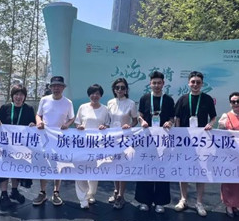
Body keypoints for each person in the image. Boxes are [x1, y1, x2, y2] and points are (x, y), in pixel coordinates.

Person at [174, 71, 217, 217]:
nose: (195, 84)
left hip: (201, 141)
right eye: (193, 82)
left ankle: (199, 202)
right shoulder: (182, 99)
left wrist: (211, 124)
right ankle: (183, 199)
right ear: (188, 83)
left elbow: (213, 117)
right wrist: (179, 135)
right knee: (183, 171)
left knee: (201, 171)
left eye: (198, 82)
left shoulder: (207, 99)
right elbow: (177, 118)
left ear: (202, 84)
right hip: (185, 141)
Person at [0, 84, 36, 209]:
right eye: (16, 94)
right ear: (12, 96)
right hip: (5, 145)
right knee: (4, 168)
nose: (18, 97)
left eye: (21, 94)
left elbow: (33, 123)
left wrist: (33, 125)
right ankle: (4, 194)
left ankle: (14, 191)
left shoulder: (28, 109)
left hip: (21, 146)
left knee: (17, 168)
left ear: (24, 97)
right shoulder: (5, 107)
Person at [135, 71, 175, 213]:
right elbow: (139, 115)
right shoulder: (145, 98)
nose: (157, 85)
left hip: (163, 141)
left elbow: (172, 118)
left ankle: (160, 202)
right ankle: (144, 201)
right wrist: (142, 121)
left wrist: (169, 123)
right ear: (150, 84)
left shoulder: (169, 100)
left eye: (159, 83)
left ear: (163, 84)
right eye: (154, 83)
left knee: (162, 170)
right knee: (146, 169)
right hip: (147, 140)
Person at [35, 76, 75, 206]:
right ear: (50, 87)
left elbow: (72, 118)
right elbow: (38, 114)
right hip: (45, 138)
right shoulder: (44, 100)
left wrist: (67, 124)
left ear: (63, 88)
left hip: (60, 138)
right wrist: (39, 122)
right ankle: (42, 192)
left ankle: (56, 192)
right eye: (54, 86)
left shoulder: (68, 102)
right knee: (44, 164)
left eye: (59, 86)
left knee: (58, 165)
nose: (56, 88)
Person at [74, 84, 111, 209]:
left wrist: (104, 127)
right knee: (80, 170)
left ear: (101, 95)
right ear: (89, 95)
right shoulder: (83, 107)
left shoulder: (105, 109)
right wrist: (79, 127)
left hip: (97, 145)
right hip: (82, 144)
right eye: (92, 93)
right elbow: (77, 122)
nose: (95, 96)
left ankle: (91, 194)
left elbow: (107, 125)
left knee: (93, 170)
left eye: (97, 93)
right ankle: (83, 199)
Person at [106, 78, 138, 209]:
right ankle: (116, 190)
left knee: (123, 166)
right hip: (112, 139)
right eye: (117, 87)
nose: (120, 90)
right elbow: (107, 121)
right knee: (114, 165)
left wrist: (129, 126)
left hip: (125, 139)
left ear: (126, 90)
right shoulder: (110, 103)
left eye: (122, 87)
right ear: (114, 89)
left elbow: (135, 120)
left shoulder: (131, 103)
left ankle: (121, 195)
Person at [218, 92, 239, 218]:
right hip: (229, 154)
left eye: (238, 101)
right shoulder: (225, 117)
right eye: (233, 101)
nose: (236, 103)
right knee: (228, 180)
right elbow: (219, 134)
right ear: (230, 103)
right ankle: (228, 205)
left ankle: (236, 204)